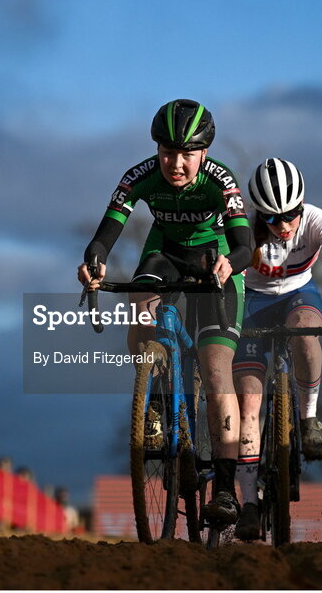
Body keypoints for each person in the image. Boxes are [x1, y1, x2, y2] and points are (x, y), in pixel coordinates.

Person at [77, 99, 253, 527]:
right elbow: (105, 234)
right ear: (157, 149)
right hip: (165, 254)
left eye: (186, 154)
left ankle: (225, 489)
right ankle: (154, 398)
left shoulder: (220, 180)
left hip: (215, 260)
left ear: (204, 153)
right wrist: (94, 262)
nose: (176, 164)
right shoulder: (140, 176)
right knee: (141, 300)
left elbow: (246, 246)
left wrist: (230, 264)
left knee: (215, 370)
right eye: (167, 152)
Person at [230, 157, 322, 540]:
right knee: (249, 404)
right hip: (251, 301)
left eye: (291, 215)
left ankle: (309, 419)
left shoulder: (319, 221)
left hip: (299, 294)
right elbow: (227, 281)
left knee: (305, 332)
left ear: (302, 205)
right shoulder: (242, 228)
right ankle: (249, 505)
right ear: (258, 213)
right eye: (272, 218)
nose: (284, 226)